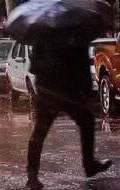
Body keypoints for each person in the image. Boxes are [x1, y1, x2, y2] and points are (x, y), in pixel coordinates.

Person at [26, 0, 115, 187]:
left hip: (47, 90)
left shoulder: (42, 37)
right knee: (86, 122)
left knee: (39, 133)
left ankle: (32, 176)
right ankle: (89, 164)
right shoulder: (77, 35)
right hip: (67, 93)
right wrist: (88, 93)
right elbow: (82, 68)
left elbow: (34, 67)